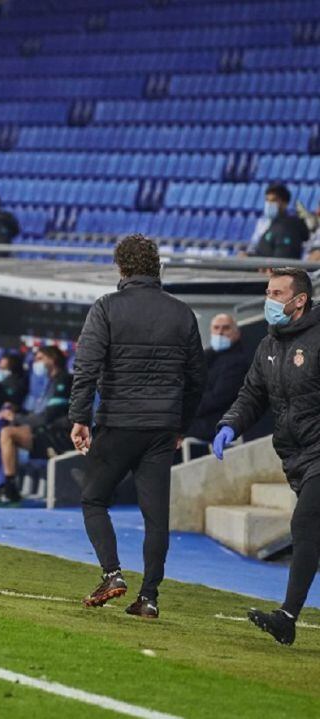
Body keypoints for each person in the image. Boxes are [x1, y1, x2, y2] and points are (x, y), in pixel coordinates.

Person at [69, 234, 205, 619]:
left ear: (121, 267)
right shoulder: (182, 313)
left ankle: (112, 574)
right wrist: (181, 424)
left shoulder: (107, 308)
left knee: (94, 499)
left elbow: (87, 367)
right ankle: (149, 597)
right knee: (155, 517)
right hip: (162, 427)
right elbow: (197, 378)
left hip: (118, 422)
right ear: (155, 266)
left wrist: (79, 417)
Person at [213, 268, 320, 646]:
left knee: (305, 525)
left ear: (300, 300)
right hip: (296, 454)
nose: (269, 299)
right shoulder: (269, 345)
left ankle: (287, 617)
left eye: (277, 292)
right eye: (268, 291)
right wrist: (230, 425)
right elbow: (252, 395)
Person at [0, 346, 72, 508]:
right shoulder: (50, 382)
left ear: (53, 359)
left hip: (62, 437)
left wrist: (15, 417)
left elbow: (47, 417)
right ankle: (3, 486)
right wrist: (18, 410)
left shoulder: (64, 380)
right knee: (2, 431)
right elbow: (40, 414)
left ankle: (10, 492)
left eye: (40, 358)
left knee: (8, 433)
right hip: (47, 432)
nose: (36, 362)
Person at [185, 314, 250, 442]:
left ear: (236, 333)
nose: (220, 332)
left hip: (217, 422)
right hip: (198, 418)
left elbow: (218, 398)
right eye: (216, 328)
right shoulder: (205, 357)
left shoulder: (238, 362)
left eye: (226, 328)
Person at [247, 183, 310, 259]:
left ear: (285, 203)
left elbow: (281, 257)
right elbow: (256, 247)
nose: (269, 204)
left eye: (273, 201)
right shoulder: (262, 222)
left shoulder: (290, 226)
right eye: (267, 200)